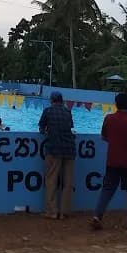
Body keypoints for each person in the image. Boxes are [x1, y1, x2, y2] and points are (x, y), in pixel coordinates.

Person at [90, 92, 127, 230]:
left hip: (112, 161)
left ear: (116, 104)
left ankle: (98, 215)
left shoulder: (109, 118)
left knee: (107, 190)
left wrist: (115, 141)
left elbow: (104, 137)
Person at [38, 91, 75, 220]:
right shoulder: (68, 112)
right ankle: (65, 212)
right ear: (62, 100)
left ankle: (52, 212)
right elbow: (70, 127)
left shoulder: (47, 111)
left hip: (54, 149)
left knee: (51, 180)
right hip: (70, 149)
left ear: (52, 100)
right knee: (68, 182)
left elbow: (41, 128)